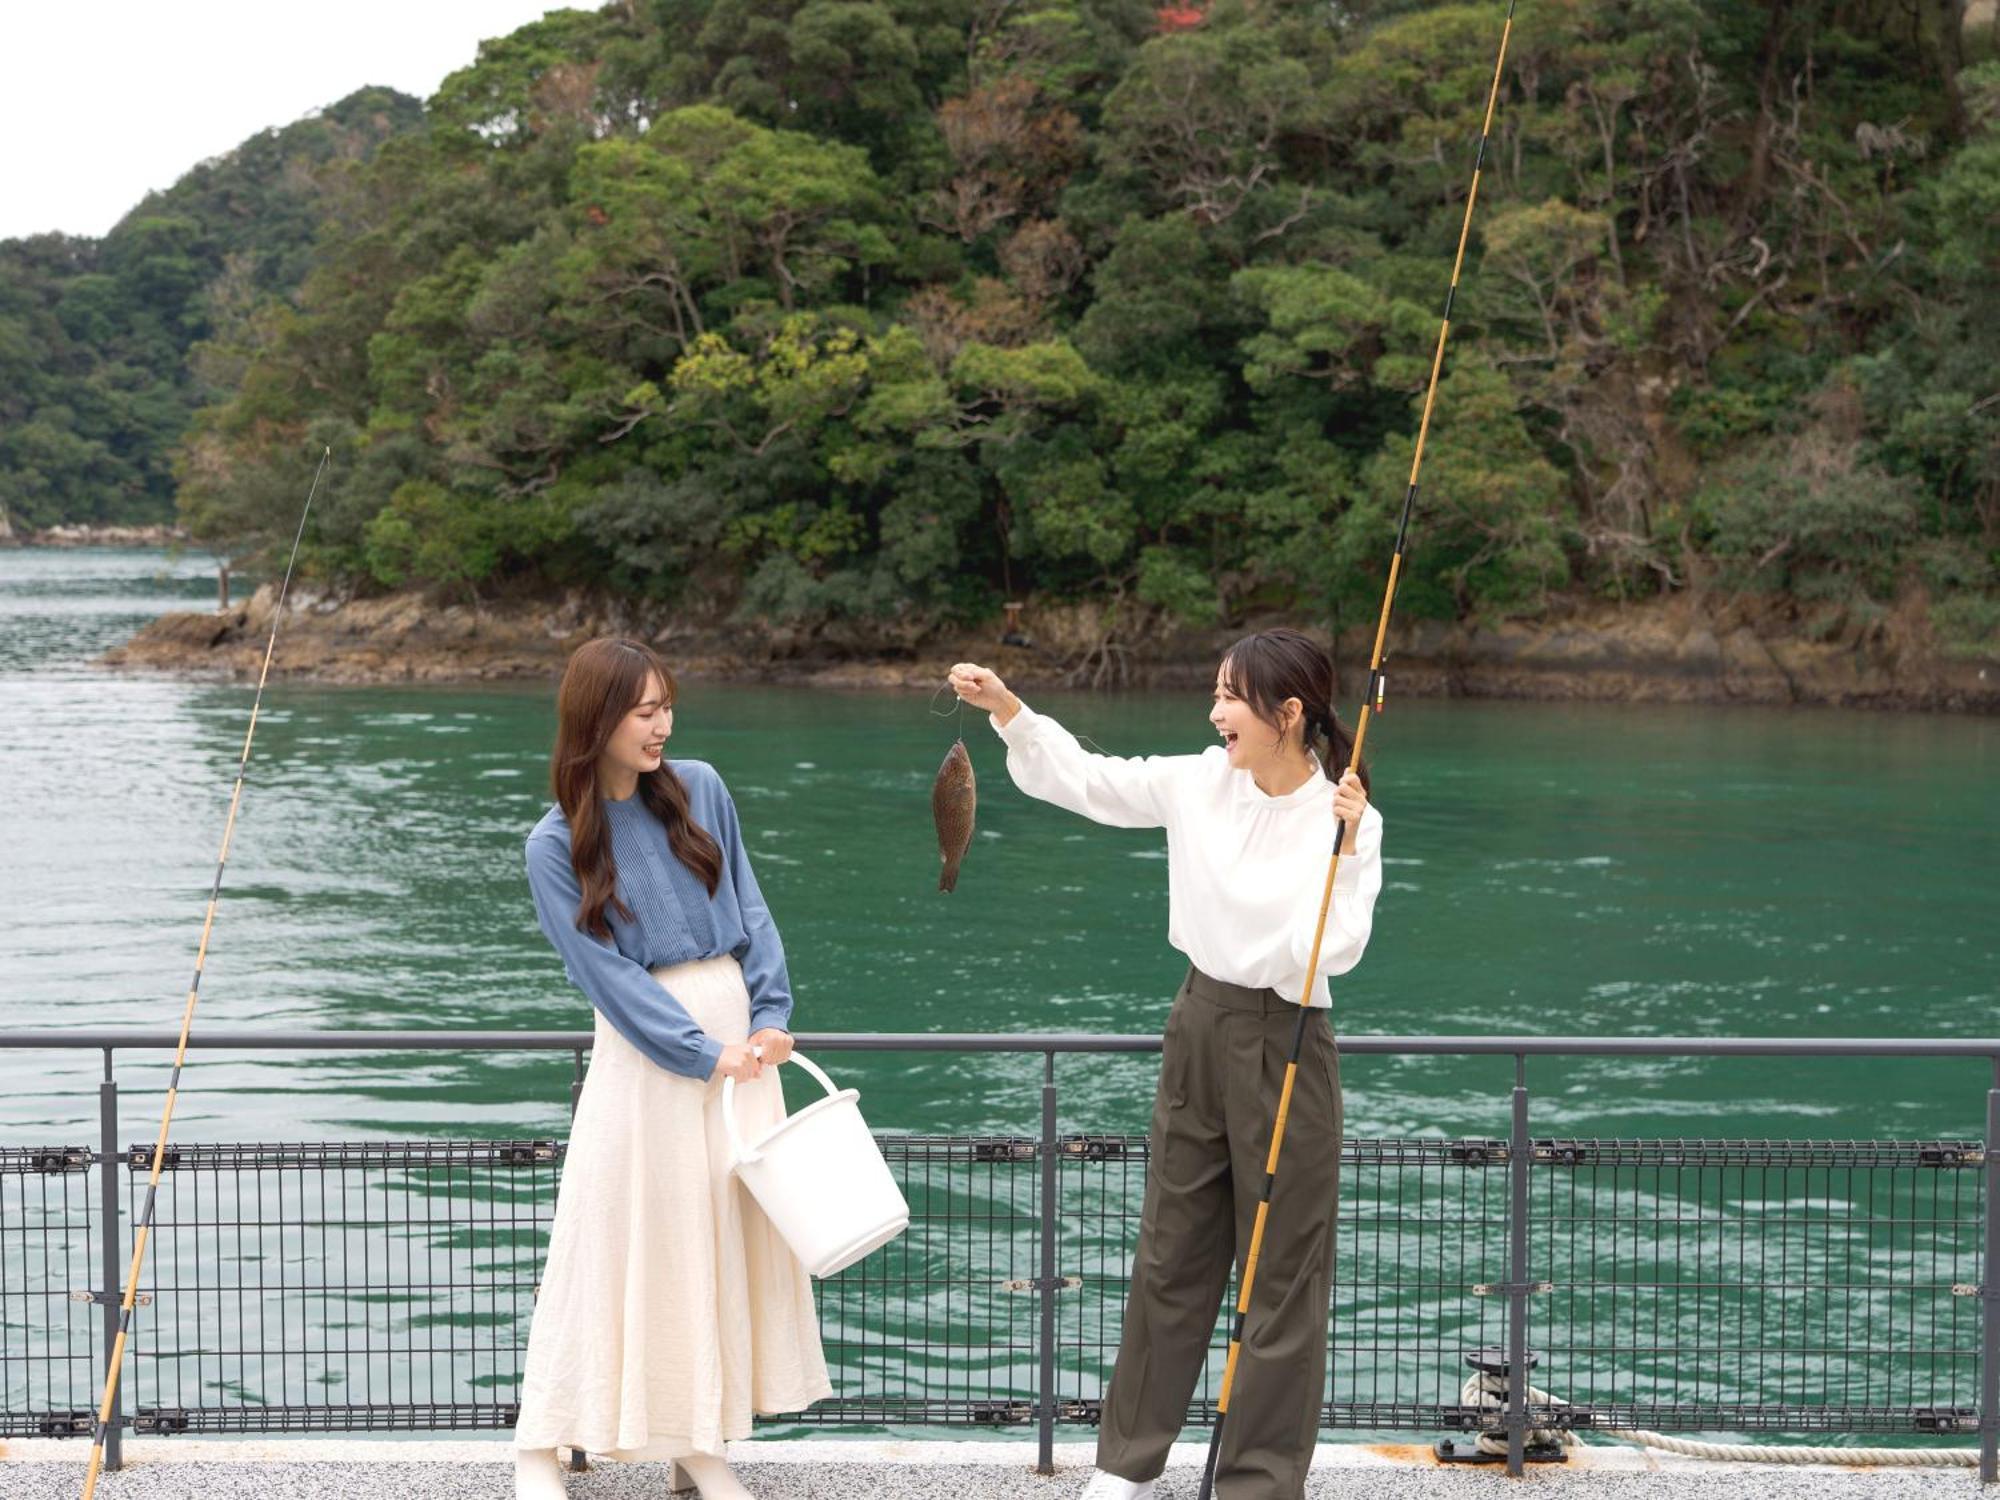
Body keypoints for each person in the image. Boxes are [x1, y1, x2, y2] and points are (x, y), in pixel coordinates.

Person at [950, 628, 1383, 1500]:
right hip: (1198, 1023)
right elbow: (1091, 780)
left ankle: (1257, 1483)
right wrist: (1010, 714)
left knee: (1282, 1276)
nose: (1215, 711)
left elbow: (1331, 950)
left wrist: (1342, 845)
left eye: (1230, 697)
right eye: (1217, 694)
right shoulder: (1197, 781)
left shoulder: (1347, 816)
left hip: (1291, 1035)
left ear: (1287, 714)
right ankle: (1122, 1468)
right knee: (1171, 1253)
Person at [513, 637, 830, 1500]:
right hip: (654, 1059)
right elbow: (606, 979)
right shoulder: (553, 845)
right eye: (643, 710)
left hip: (739, 1052)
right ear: (597, 718)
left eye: (665, 706)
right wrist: (703, 1052)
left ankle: (696, 1443)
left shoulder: (701, 789)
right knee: (618, 1237)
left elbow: (751, 906)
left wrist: (770, 1016)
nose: (662, 724)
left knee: (712, 1241)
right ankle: (539, 1443)